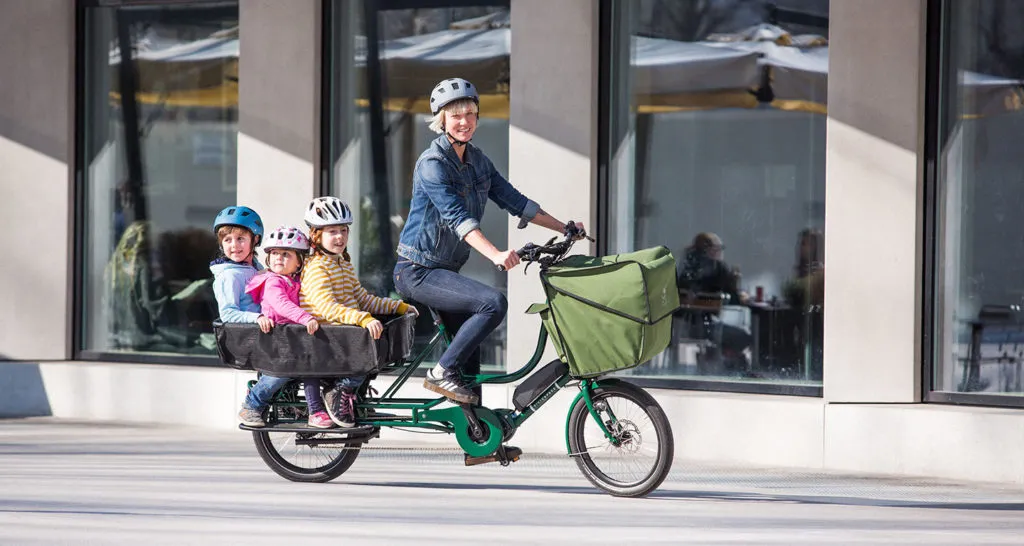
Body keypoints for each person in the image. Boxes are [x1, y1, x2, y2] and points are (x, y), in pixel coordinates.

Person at [392, 77, 583, 464]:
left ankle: (478, 438)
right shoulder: (432, 163)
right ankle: (440, 371)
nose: (463, 121)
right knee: (492, 302)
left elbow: (515, 201)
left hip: (445, 270)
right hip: (418, 270)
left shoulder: (478, 161)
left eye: (469, 114)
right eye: (455, 115)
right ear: (441, 121)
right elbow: (457, 217)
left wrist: (565, 228)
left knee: (472, 366)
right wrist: (495, 254)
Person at [300, 196, 418, 428]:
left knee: (379, 343)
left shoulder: (342, 264)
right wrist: (362, 318)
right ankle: (338, 392)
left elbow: (362, 299)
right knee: (367, 349)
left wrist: (397, 306)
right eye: (332, 231)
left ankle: (354, 394)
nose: (340, 237)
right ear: (316, 236)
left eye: (343, 230)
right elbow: (327, 308)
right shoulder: (316, 268)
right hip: (325, 336)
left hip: (343, 332)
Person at [244, 226, 333, 429]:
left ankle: (316, 411)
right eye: (274, 253)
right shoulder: (273, 281)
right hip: (277, 341)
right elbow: (281, 305)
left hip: (295, 339)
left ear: (299, 261)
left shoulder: (295, 281)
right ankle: (252, 404)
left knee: (313, 369)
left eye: (286, 254)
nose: (278, 258)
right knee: (278, 375)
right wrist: (305, 318)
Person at [209, 206, 289, 428]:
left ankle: (281, 398)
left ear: (255, 240)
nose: (234, 245)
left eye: (241, 239)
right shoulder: (229, 275)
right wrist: (257, 318)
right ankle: (252, 405)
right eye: (228, 240)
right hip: (251, 335)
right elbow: (228, 313)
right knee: (287, 366)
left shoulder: (254, 267)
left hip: (268, 331)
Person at [676, 232, 751, 374]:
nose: (721, 252)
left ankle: (710, 356)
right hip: (706, 327)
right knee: (745, 337)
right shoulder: (718, 268)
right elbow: (734, 298)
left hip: (681, 327)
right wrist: (740, 294)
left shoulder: (685, 267)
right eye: (719, 248)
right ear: (711, 249)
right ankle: (720, 362)